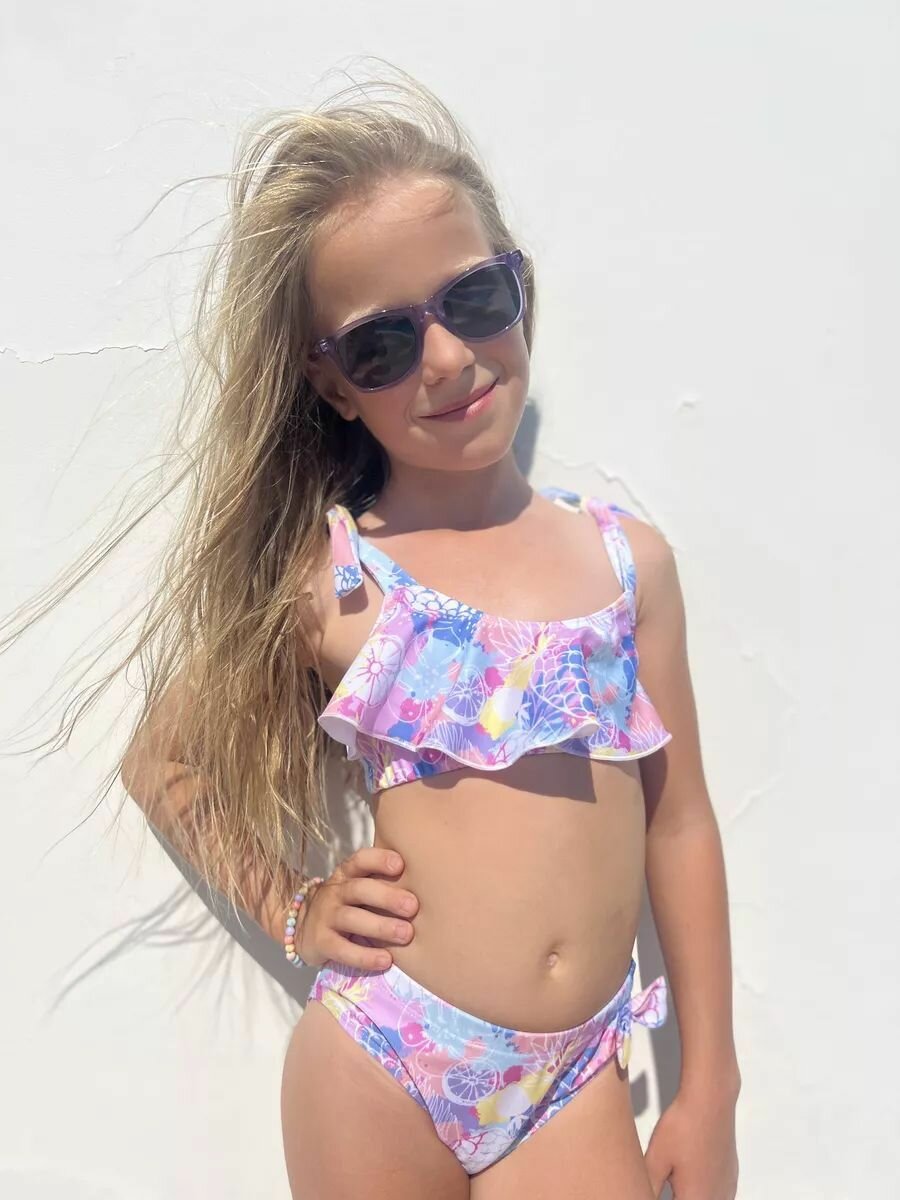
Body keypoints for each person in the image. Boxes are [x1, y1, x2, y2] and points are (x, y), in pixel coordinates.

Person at [2, 63, 739, 1200]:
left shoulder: (628, 566)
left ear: (519, 287)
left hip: (576, 1079)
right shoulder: (337, 585)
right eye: (382, 346)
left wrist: (710, 1084)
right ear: (334, 384)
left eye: (474, 301)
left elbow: (679, 823)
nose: (445, 359)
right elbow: (164, 762)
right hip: (387, 1063)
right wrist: (293, 905)